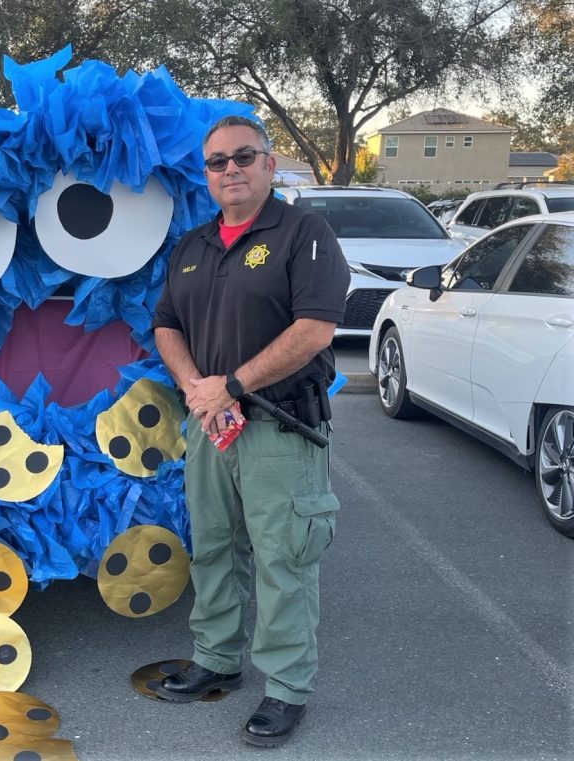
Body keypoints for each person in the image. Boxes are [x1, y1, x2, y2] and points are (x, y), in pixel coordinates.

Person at [151, 114, 348, 747]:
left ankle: (287, 689)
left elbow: (314, 330)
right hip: (211, 426)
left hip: (278, 429)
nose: (229, 169)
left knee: (283, 559)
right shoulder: (193, 245)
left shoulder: (304, 234)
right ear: (205, 174)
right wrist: (195, 387)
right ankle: (217, 660)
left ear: (268, 163)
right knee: (213, 548)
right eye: (216, 162)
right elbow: (166, 326)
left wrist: (232, 385)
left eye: (243, 157)